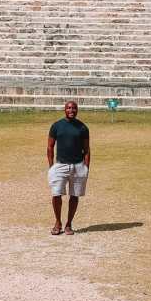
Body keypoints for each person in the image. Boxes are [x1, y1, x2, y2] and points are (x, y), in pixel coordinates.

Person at [46, 99, 90, 235]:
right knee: (56, 194)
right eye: (69, 108)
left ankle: (69, 224)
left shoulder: (82, 128)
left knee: (74, 196)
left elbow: (87, 149)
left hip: (78, 166)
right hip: (60, 165)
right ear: (64, 110)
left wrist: (86, 167)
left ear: (77, 110)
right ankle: (57, 222)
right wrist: (51, 166)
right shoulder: (56, 126)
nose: (71, 110)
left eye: (74, 108)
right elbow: (50, 147)